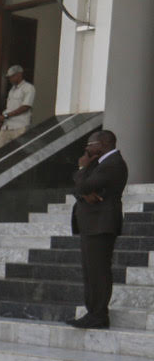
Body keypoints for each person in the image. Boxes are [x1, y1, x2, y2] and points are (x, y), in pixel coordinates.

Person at [69, 130, 127, 329]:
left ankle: (99, 315)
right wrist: (84, 193)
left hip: (101, 224)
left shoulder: (113, 163)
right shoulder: (99, 163)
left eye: (90, 144)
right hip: (92, 223)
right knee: (90, 271)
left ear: (103, 144)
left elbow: (84, 184)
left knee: (98, 271)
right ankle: (93, 312)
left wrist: (82, 167)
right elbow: (80, 187)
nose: (86, 148)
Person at [0, 65, 35, 149]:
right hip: (7, 126)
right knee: (1, 151)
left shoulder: (28, 88)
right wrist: (2, 118)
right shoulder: (12, 90)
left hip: (20, 126)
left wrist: (6, 116)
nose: (10, 79)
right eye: (9, 77)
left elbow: (26, 107)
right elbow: (10, 107)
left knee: (19, 152)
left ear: (19, 74)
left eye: (12, 76)